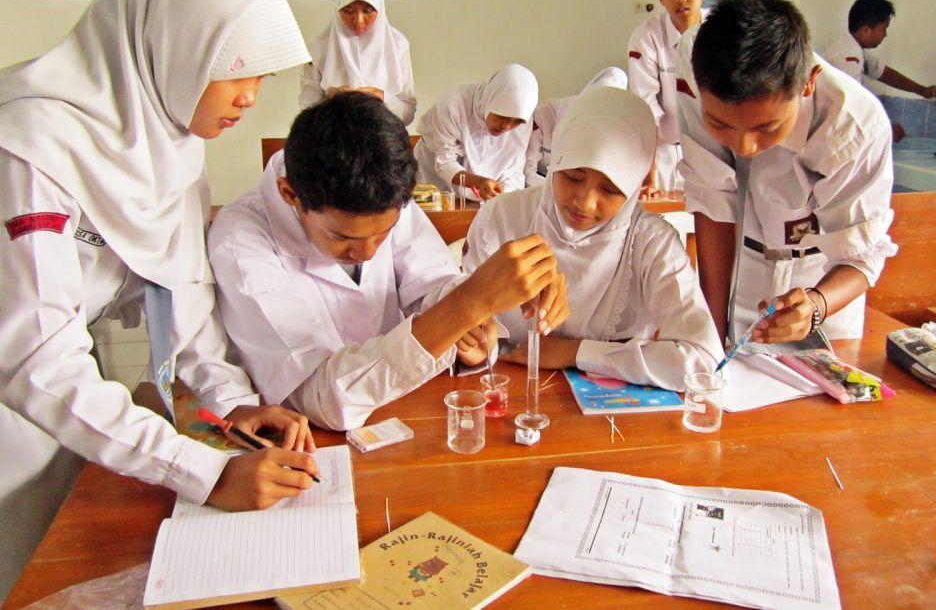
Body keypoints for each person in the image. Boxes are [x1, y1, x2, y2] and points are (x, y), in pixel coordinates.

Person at [0, 0, 323, 550]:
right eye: (232, 71)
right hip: (16, 410)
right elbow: (37, 359)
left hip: (61, 405)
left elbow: (182, 288)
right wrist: (203, 471)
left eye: (261, 74)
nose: (250, 95)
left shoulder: (171, 145)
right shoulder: (31, 148)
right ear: (170, 44)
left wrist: (232, 402)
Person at [208, 92, 568, 431]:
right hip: (311, 439)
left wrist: (470, 330)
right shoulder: (240, 242)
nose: (367, 253)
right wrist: (467, 304)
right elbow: (320, 398)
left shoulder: (383, 188)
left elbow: (431, 282)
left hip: (397, 411)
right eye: (342, 237)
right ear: (291, 195)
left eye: (383, 235)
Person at [464, 86, 721, 390]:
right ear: (556, 159)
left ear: (635, 189)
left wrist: (575, 352)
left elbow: (704, 362)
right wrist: (474, 341)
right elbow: (459, 314)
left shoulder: (652, 243)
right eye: (573, 176)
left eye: (611, 189)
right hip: (510, 394)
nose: (584, 203)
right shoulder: (502, 217)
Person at [677, 0, 897, 345]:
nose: (743, 147)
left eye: (765, 128)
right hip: (748, 266)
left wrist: (815, 305)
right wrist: (712, 334)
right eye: (720, 123)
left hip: (823, 278)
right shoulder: (696, 62)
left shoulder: (853, 128)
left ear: (809, 82)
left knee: (820, 389)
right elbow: (713, 198)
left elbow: (861, 257)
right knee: (733, 381)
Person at [627, 0, 711, 194]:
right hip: (663, 152)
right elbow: (646, 109)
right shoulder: (647, 37)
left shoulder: (721, 31)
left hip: (711, 150)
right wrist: (649, 178)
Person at [299, 0, 417, 124]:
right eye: (348, 10)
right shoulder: (319, 47)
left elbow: (409, 112)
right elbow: (306, 112)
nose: (359, 20)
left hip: (384, 141)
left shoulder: (398, 45)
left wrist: (382, 98)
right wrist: (330, 100)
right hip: (332, 141)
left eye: (368, 10)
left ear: (380, 6)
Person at [414, 64, 537, 201]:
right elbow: (444, 162)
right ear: (490, 101)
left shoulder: (524, 121)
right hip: (433, 177)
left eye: (517, 121)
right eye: (502, 116)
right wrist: (479, 183)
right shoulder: (453, 104)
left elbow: (514, 169)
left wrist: (501, 194)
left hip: (486, 191)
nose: (507, 126)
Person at [824, 0, 936, 101]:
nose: (885, 35)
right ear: (866, 30)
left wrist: (922, 90)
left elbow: (883, 73)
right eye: (884, 29)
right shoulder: (848, 58)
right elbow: (852, 104)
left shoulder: (852, 49)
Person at [523, 67, 627, 187]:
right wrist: (552, 191)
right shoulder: (546, 113)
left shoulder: (611, 132)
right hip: (538, 183)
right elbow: (528, 171)